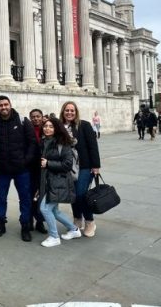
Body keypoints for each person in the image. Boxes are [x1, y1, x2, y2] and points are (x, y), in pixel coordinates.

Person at [0, 95, 37, 241]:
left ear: (10, 105)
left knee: (25, 198)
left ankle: (25, 225)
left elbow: (32, 143)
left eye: (6, 104)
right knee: (1, 198)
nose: (3, 107)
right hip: (3, 170)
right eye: (0, 105)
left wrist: (26, 161)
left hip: (21, 169)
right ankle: (0, 223)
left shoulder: (23, 120)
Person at [37, 116, 82, 247]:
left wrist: (48, 163)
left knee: (45, 208)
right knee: (54, 210)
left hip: (59, 181)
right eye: (45, 126)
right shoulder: (45, 141)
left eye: (51, 126)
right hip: (48, 181)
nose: (47, 128)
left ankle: (54, 236)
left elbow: (67, 164)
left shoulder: (63, 143)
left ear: (56, 128)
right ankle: (74, 230)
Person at [59, 101, 101, 237]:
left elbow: (93, 146)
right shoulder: (60, 127)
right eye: (67, 110)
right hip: (67, 167)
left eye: (72, 110)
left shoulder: (84, 125)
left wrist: (96, 166)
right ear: (63, 112)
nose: (69, 113)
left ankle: (89, 221)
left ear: (76, 112)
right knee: (73, 195)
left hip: (84, 166)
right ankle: (77, 219)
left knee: (81, 194)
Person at [28, 109, 47, 234]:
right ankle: (29, 220)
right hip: (30, 167)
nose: (36, 119)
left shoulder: (46, 129)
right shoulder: (27, 130)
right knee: (29, 195)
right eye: (33, 117)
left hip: (43, 168)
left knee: (41, 195)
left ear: (42, 117)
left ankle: (40, 221)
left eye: (38, 116)